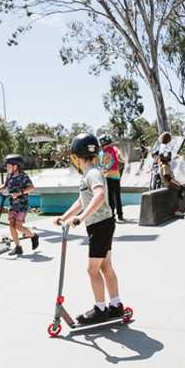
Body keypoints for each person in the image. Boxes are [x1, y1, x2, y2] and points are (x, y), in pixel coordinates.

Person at [54, 133, 123, 325]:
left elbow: (99, 195)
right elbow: (82, 200)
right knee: (105, 267)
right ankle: (116, 305)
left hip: (100, 225)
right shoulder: (89, 173)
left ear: (77, 156)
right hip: (102, 224)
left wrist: (81, 218)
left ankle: (101, 309)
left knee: (92, 270)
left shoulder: (92, 173)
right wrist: (65, 217)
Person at [0, 154, 39, 257]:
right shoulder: (9, 176)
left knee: (18, 226)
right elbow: (5, 186)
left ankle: (33, 235)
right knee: (11, 225)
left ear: (16, 166)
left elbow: (32, 188)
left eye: (9, 166)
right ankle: (18, 247)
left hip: (22, 205)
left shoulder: (23, 176)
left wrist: (19, 193)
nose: (7, 168)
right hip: (12, 205)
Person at [98, 134, 125, 222]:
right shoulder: (113, 149)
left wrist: (104, 169)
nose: (107, 145)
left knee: (110, 197)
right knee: (116, 196)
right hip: (114, 176)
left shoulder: (101, 153)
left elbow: (100, 164)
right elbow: (117, 159)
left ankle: (112, 215)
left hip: (108, 176)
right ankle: (119, 215)